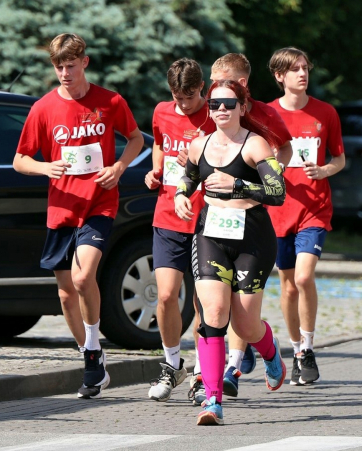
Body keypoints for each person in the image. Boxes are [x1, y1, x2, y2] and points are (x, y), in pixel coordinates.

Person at [13, 33, 143, 399]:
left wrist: (118, 167)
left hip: (99, 204)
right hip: (61, 208)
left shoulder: (110, 101)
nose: (65, 73)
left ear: (85, 62)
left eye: (71, 65)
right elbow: (20, 160)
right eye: (58, 67)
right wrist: (45, 168)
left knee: (84, 276)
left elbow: (135, 138)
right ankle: (92, 356)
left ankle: (91, 354)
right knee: (66, 293)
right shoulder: (43, 108)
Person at [174, 79, 287, 425]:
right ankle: (213, 401)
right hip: (210, 235)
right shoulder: (199, 145)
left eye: (228, 104)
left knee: (246, 324)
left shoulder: (255, 145)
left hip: (252, 239)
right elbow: (189, 176)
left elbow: (278, 191)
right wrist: (181, 194)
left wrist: (237, 184)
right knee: (215, 311)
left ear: (242, 107)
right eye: (214, 104)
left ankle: (270, 352)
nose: (221, 110)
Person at [267, 47, 346, 386]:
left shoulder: (325, 112)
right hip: (278, 210)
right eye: (295, 69)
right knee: (287, 287)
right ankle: (295, 348)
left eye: (305, 68)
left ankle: (308, 348)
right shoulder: (266, 114)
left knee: (302, 278)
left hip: (314, 208)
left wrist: (324, 169)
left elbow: (339, 159)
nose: (302, 73)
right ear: (279, 76)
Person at [144, 59, 216, 402]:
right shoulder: (162, 111)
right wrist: (155, 169)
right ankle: (173, 365)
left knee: (204, 300)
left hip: (207, 219)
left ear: (202, 88)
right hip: (168, 215)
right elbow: (160, 143)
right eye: (177, 96)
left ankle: (203, 373)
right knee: (166, 295)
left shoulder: (217, 113)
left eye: (189, 97)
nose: (182, 104)